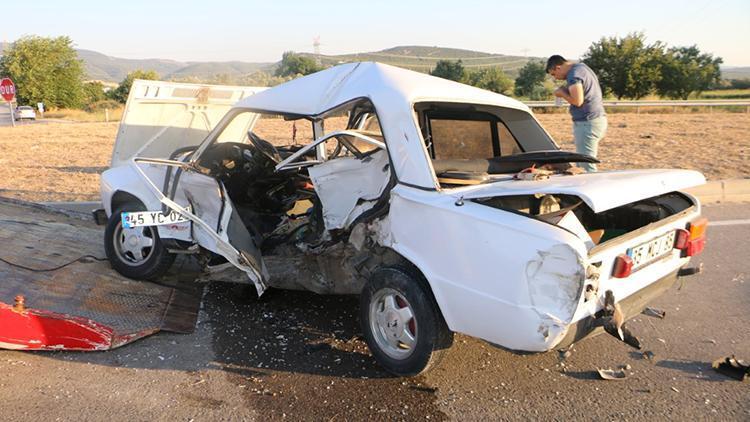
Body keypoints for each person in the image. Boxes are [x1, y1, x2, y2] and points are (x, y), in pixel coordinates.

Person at [546, 55, 607, 172]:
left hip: (587, 123)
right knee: (582, 162)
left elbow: (578, 101)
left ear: (558, 67)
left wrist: (562, 93)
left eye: (553, 74)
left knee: (586, 165)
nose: (556, 78)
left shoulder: (574, 75)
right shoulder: (582, 68)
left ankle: (589, 188)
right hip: (595, 120)